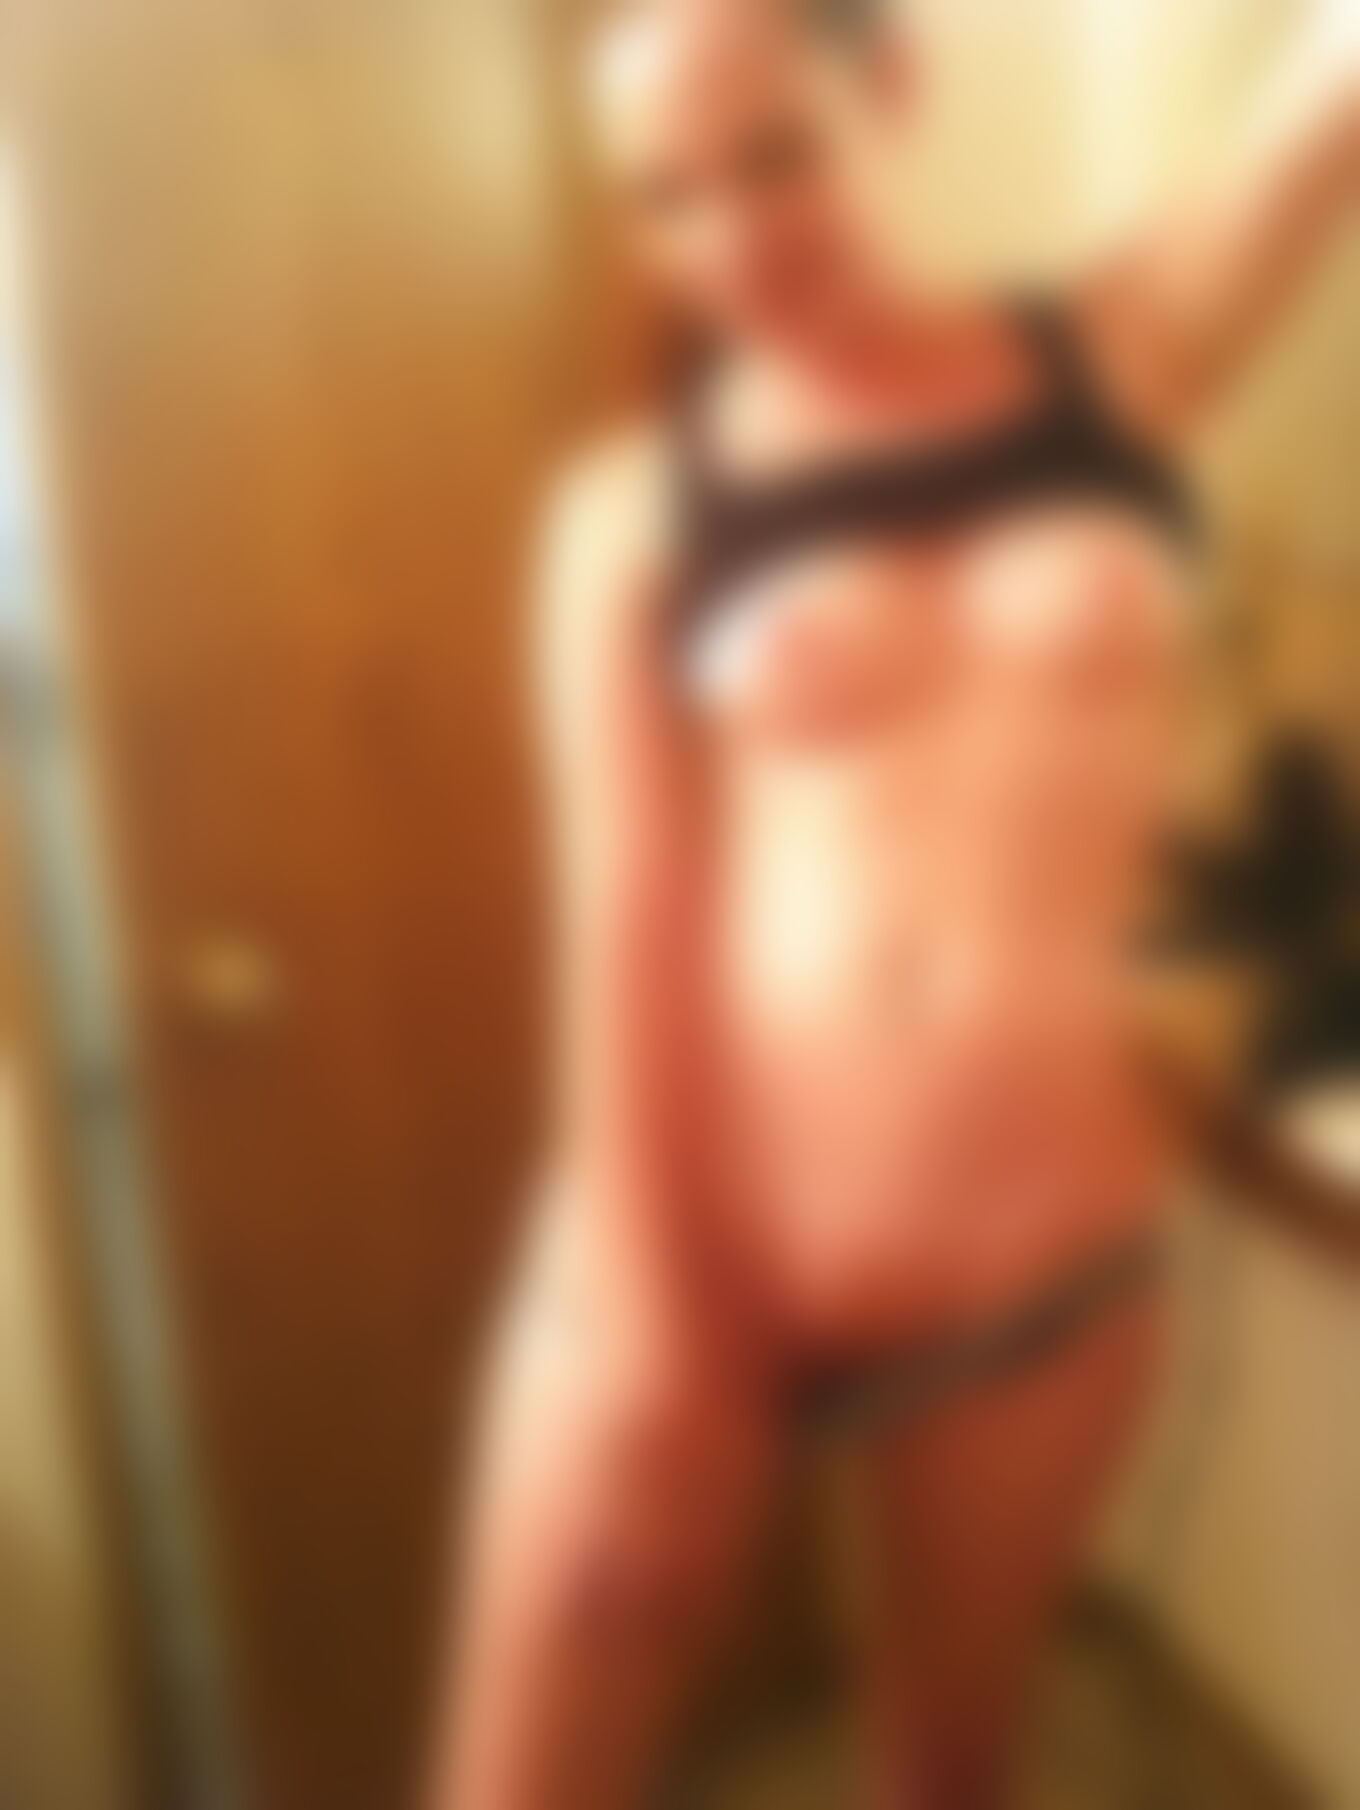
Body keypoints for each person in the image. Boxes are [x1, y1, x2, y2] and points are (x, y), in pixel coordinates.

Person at [434, 3, 1360, 1804]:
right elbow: (622, 914)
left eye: (775, 153)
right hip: (685, 1263)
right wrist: (651, 1334)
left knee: (946, 1771)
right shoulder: (627, 519)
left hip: (1044, 1278)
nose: (733, 242)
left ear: (895, 86)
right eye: (666, 196)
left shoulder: (1129, 350)